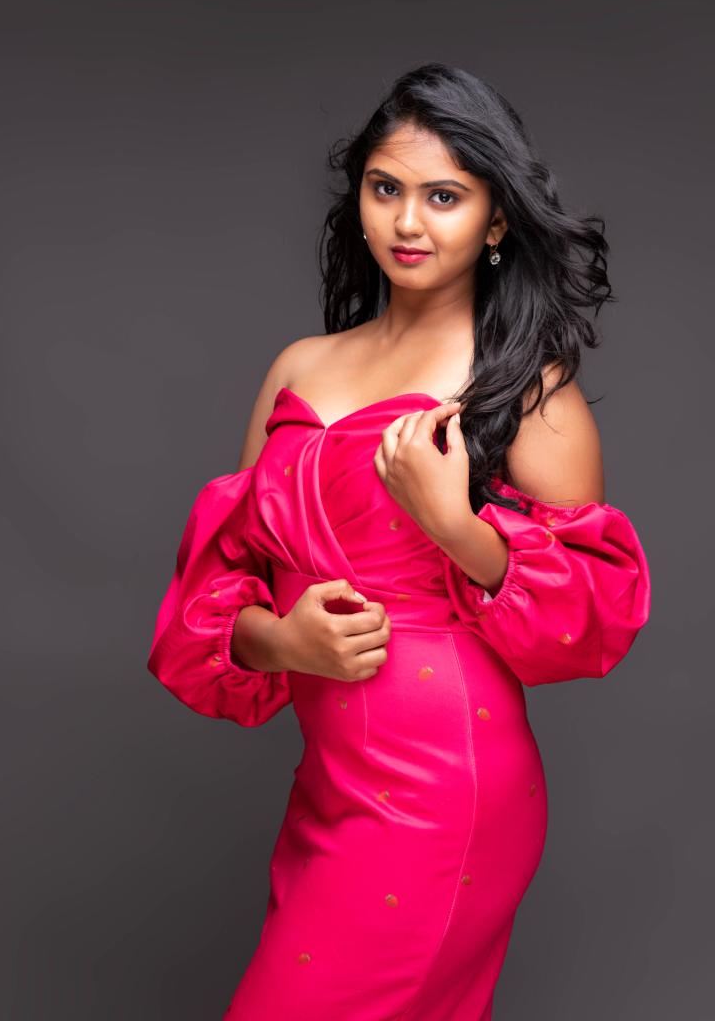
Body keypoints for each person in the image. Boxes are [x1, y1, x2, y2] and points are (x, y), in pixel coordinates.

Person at [147, 62, 651, 1021]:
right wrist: (280, 642)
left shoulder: (524, 387)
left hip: (445, 789)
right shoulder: (299, 369)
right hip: (329, 785)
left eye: (444, 197)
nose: (407, 222)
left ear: (496, 222)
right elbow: (215, 592)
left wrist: (455, 526)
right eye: (386, 189)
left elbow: (596, 615)